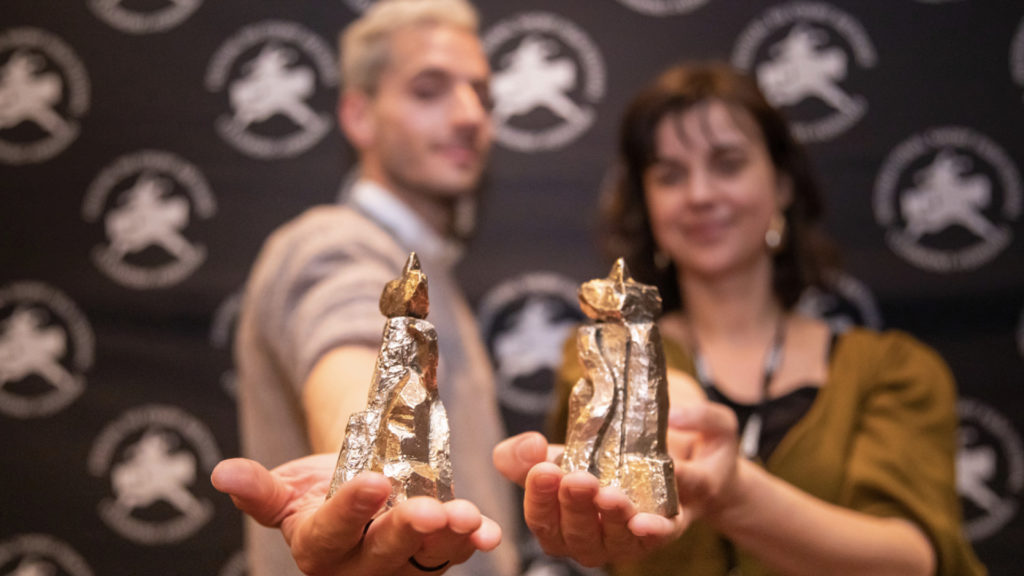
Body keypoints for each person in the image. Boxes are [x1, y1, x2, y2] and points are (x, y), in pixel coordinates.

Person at [493, 62, 987, 576]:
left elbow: (914, 558)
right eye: (670, 175)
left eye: (727, 164)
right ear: (648, 204)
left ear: (783, 185)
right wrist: (676, 423)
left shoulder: (891, 370)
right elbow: (654, 389)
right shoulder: (599, 348)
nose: (700, 194)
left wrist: (731, 492)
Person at [210, 1, 520, 575]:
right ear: (358, 116)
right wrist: (376, 483)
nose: (469, 115)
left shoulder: (428, 266)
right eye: (429, 91)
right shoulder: (333, 243)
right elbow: (350, 346)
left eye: (481, 93)